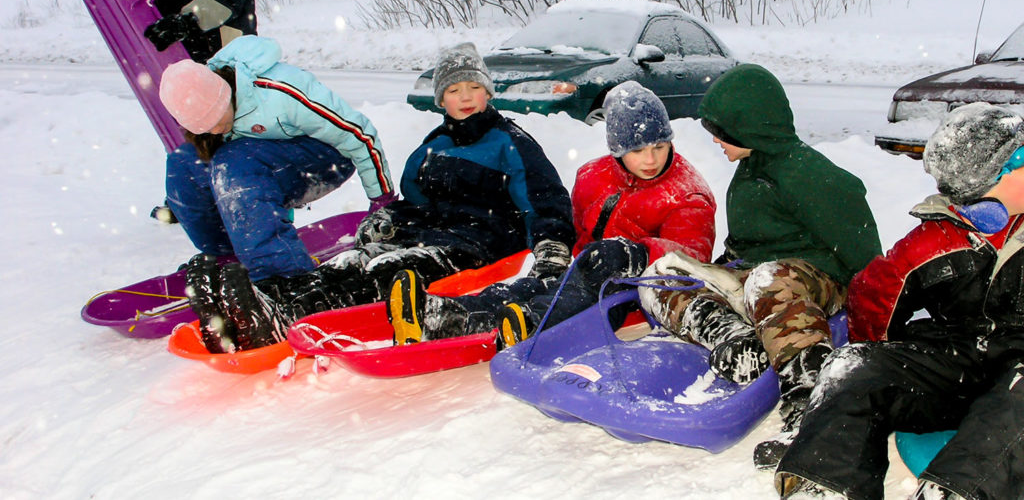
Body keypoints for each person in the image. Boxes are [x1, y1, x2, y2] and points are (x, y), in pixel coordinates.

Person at [204, 42, 576, 352]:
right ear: (440, 100)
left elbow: (545, 197)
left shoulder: (510, 142)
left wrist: (552, 244)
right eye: (453, 89)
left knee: (388, 273)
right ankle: (266, 298)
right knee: (351, 262)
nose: (465, 97)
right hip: (427, 234)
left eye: (472, 87)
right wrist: (390, 220)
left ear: (487, 91)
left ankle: (285, 317)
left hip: (477, 244)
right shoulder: (432, 147)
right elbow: (414, 203)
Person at [636, 63, 881, 470]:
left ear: (752, 130)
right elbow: (745, 244)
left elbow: (865, 255)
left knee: (768, 281)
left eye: (723, 132)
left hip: (811, 278)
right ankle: (734, 338)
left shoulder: (810, 175)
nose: (715, 140)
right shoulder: (749, 169)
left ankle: (809, 406)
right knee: (660, 274)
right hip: (752, 277)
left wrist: (873, 321)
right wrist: (710, 277)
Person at [775, 103, 1024, 500]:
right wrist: (891, 361)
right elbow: (872, 298)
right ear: (987, 182)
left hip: (1017, 382)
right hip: (958, 364)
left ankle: (956, 491)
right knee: (853, 368)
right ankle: (824, 484)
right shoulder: (934, 241)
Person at [387, 81, 716, 348]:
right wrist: (557, 252)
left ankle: (529, 325)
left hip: (635, 287)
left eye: (659, 147)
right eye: (637, 150)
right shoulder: (593, 175)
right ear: (617, 149)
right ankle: (442, 314)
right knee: (530, 287)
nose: (650, 159)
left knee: (577, 298)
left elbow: (692, 257)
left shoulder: (686, 193)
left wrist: (636, 252)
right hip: (582, 267)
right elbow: (574, 228)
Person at [158, 34, 395, 352]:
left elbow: (358, 133)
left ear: (225, 93)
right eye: (206, 128)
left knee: (234, 160)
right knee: (182, 164)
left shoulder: (279, 90)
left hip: (324, 158)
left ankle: (288, 280)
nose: (216, 130)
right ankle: (230, 262)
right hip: (258, 161)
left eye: (217, 120)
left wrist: (382, 200)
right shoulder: (214, 120)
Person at [145, 0, 258, 224]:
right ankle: (189, 199)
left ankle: (240, 197)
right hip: (182, 53)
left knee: (224, 127)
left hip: (221, 49)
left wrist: (185, 22)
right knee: (188, 122)